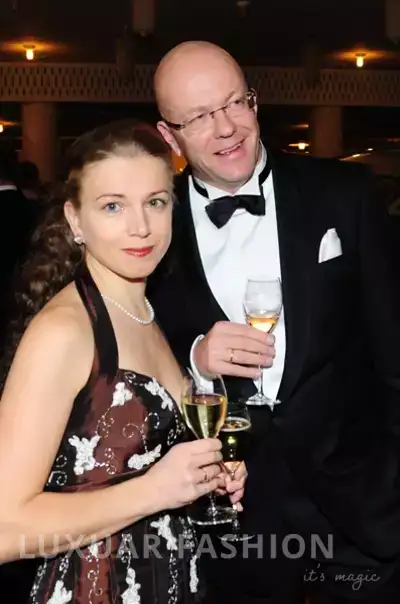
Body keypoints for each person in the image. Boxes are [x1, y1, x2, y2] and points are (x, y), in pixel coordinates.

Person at [148, 41, 400, 603]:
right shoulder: (151, 225)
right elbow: (133, 357)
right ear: (170, 136)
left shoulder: (345, 194)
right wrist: (196, 360)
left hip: (360, 505)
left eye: (235, 102)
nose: (226, 128)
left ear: (255, 102)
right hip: (234, 515)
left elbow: (392, 349)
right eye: (199, 117)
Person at [0, 119, 246, 603]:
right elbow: (5, 528)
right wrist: (156, 490)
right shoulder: (65, 332)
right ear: (75, 221)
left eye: (155, 202)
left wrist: (204, 479)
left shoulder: (146, 311)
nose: (141, 227)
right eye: (113, 206)